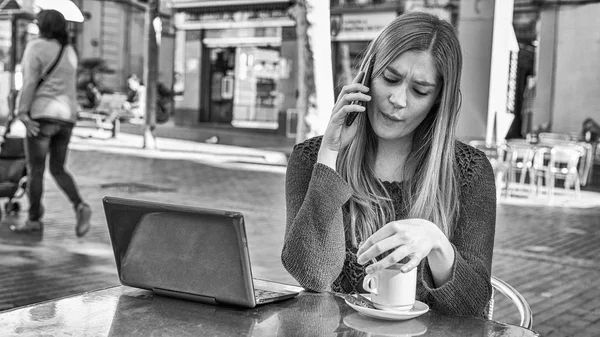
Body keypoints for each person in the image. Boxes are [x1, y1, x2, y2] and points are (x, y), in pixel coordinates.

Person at [281, 11, 496, 318]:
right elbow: (312, 275)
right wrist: (329, 154)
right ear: (367, 74)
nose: (398, 99)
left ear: (438, 99)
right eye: (390, 79)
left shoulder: (470, 172)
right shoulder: (311, 157)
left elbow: (471, 306)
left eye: (419, 90)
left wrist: (437, 243)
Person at [12, 10, 92, 236]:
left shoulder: (36, 47)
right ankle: (80, 205)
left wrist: (22, 113)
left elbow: (29, 83)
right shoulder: (69, 51)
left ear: (42, 26)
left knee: (35, 170)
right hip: (66, 118)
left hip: (42, 116)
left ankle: (34, 219)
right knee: (58, 168)